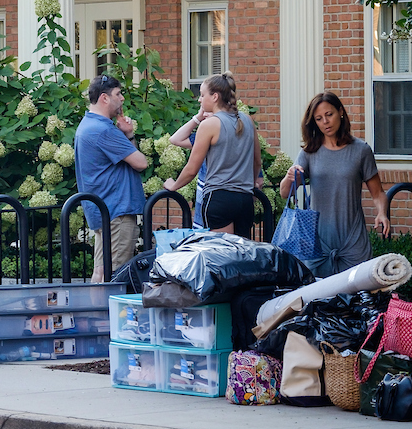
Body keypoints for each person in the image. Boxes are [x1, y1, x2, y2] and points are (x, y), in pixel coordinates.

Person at [279, 92, 390, 277]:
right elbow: (285, 193)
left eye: (329, 115)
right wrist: (290, 177)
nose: (325, 122)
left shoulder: (361, 150)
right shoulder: (309, 152)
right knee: (319, 301)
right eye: (319, 118)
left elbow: (378, 193)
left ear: (340, 112)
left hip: (353, 242)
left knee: (357, 299)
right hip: (317, 243)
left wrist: (381, 213)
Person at [165, 73, 262, 237]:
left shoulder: (210, 124)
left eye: (202, 95)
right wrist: (250, 185)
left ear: (215, 96)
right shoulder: (247, 121)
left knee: (219, 257)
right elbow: (257, 161)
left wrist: (173, 186)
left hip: (219, 197)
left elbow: (191, 169)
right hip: (245, 199)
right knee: (240, 257)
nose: (199, 100)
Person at [75, 76, 148, 282]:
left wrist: (128, 134)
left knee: (100, 273)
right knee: (114, 277)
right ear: (105, 98)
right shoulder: (104, 130)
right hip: (118, 212)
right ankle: (108, 315)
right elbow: (141, 163)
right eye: (118, 94)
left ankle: (93, 314)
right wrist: (129, 135)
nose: (122, 99)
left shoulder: (87, 124)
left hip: (105, 211)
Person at [169, 111, 211, 227]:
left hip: (213, 206)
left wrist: (174, 186)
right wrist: (198, 117)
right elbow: (175, 139)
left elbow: (191, 170)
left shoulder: (209, 133)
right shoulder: (242, 128)